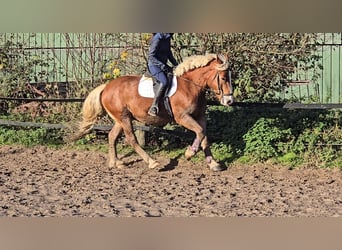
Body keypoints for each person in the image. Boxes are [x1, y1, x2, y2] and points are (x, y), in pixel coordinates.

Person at [147, 33, 178, 116]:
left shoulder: (167, 38)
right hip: (154, 65)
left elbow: (168, 53)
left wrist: (176, 65)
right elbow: (151, 56)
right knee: (164, 82)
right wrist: (162, 65)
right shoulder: (158, 38)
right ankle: (154, 106)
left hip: (163, 65)